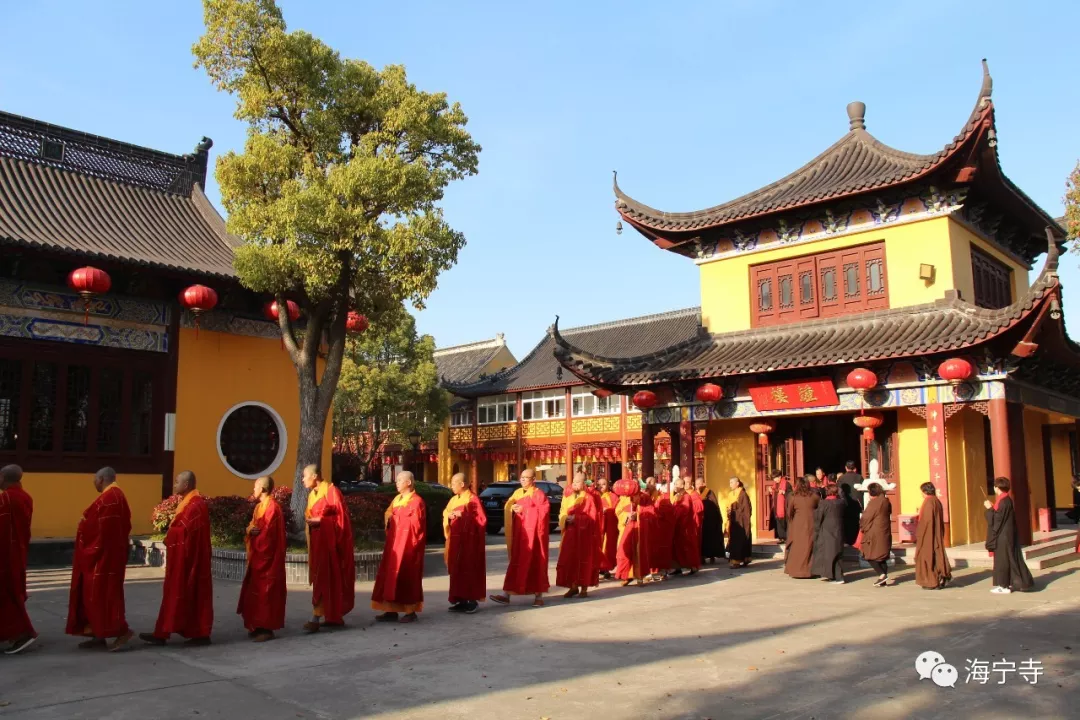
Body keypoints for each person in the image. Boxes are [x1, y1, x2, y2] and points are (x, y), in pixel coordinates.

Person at [141, 471, 213, 646]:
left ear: (186, 485)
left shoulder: (195, 506)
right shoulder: (188, 503)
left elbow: (188, 533)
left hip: (192, 561)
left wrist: (171, 535)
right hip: (186, 559)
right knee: (177, 595)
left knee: (189, 594)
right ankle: (165, 632)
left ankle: (198, 634)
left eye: (177, 482)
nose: (174, 485)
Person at [66, 467, 133, 652]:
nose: (94, 483)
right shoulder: (114, 496)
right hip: (108, 555)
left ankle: (122, 631)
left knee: (103, 596)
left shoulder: (111, 498)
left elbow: (99, 529)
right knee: (93, 596)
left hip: (104, 558)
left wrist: (83, 526)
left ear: (102, 479)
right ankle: (97, 633)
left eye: (95, 480)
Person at [302, 464, 355, 632]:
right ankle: (332, 616)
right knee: (321, 578)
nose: (302, 480)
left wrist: (321, 521)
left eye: (305, 476)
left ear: (315, 476)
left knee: (328, 578)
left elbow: (342, 520)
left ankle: (316, 617)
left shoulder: (332, 492)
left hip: (331, 545)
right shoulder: (312, 495)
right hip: (318, 543)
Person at [372, 471, 427, 623]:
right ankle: (390, 610)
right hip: (394, 544)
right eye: (396, 480)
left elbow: (416, 525)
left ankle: (410, 611)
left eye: (400, 480)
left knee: (406, 576)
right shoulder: (397, 499)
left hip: (408, 545)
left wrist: (397, 517)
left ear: (409, 482)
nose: (396, 482)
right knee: (390, 576)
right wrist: (391, 516)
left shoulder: (417, 502)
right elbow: (388, 513)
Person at [490, 468, 550, 606]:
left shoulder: (539, 494)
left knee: (536, 563)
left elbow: (544, 513)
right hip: (520, 534)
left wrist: (525, 510)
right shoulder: (517, 493)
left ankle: (538, 596)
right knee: (516, 563)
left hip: (534, 537)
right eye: (521, 477)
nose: (522, 480)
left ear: (533, 480)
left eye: (526, 478)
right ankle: (506, 594)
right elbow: (509, 505)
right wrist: (512, 508)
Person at [237, 476, 287, 641]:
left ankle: (266, 628)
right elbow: (252, 526)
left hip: (268, 559)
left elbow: (268, 537)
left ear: (263, 489)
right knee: (255, 593)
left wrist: (256, 536)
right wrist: (250, 530)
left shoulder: (273, 508)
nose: (253, 490)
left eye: (255, 487)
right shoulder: (259, 507)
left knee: (267, 593)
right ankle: (256, 625)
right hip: (257, 558)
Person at [0, 465, 36, 655]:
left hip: (5, 554)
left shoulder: (6, 498)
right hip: (18, 551)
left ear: (4, 477)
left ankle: (21, 633)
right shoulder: (25, 497)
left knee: (6, 595)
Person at [443, 472, 486, 614]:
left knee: (469, 568)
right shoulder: (454, 499)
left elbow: (481, 519)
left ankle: (471, 600)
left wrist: (464, 515)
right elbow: (446, 513)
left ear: (462, 484)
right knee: (456, 569)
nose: (451, 486)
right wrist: (448, 516)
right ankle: (460, 600)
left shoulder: (473, 499)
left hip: (469, 542)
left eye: (453, 483)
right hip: (455, 540)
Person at [984, 477, 1034, 594]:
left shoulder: (1004, 501)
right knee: (1009, 560)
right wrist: (992, 508)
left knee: (1003, 561)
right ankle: (1011, 583)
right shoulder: (1005, 500)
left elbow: (997, 519)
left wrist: (989, 509)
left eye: (995, 486)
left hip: (1003, 537)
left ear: (997, 488)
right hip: (1005, 535)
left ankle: (1004, 586)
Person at [556, 472, 601, 598]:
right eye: (574, 482)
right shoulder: (568, 497)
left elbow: (592, 518)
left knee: (584, 560)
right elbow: (562, 512)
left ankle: (584, 588)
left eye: (578, 482)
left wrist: (576, 518)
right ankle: (573, 586)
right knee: (570, 559)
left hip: (584, 535)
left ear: (584, 484)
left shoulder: (588, 498)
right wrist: (565, 519)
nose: (575, 484)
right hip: (570, 533)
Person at [914, 483, 951, 590]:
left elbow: (927, 521)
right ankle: (940, 577)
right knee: (936, 555)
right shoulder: (936, 500)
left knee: (927, 556)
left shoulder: (929, 502)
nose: (921, 493)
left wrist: (921, 533)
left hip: (928, 534)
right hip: (935, 532)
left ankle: (932, 581)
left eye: (921, 491)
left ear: (925, 491)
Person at [615, 486, 652, 586]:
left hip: (639, 527)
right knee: (623, 551)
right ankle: (627, 575)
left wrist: (638, 514)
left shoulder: (645, 497)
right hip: (627, 527)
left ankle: (640, 576)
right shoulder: (624, 498)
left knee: (638, 552)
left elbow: (650, 511)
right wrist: (626, 515)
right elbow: (618, 511)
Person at [784, 476, 819, 579]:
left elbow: (789, 513)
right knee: (810, 547)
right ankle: (810, 570)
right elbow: (819, 508)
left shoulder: (794, 497)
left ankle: (796, 570)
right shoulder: (814, 496)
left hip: (798, 525)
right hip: (812, 524)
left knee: (798, 547)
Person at [859, 482, 893, 587]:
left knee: (869, 554)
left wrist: (862, 527)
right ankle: (883, 579)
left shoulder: (874, 503)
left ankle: (882, 575)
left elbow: (866, 518)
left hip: (874, 533)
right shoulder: (886, 501)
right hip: (885, 531)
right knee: (881, 556)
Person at [811, 483, 846, 584]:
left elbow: (819, 517)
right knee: (837, 554)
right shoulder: (841, 503)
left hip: (827, 531)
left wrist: (816, 529)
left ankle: (836, 577)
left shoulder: (824, 503)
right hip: (838, 530)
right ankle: (836, 575)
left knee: (829, 554)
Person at [669, 476, 701, 576]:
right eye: (674, 484)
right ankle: (677, 567)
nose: (674, 486)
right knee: (676, 547)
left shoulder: (686, 496)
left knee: (687, 546)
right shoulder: (677, 495)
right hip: (677, 525)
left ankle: (693, 566)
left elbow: (685, 510)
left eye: (676, 484)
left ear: (682, 485)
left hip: (685, 526)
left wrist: (675, 515)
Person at [696, 477, 725, 564]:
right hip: (701, 520)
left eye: (699, 484)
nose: (697, 486)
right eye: (696, 484)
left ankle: (712, 555)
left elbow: (714, 506)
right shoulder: (696, 493)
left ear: (703, 484)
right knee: (702, 539)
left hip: (710, 520)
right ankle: (702, 556)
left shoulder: (709, 492)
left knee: (711, 538)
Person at [650, 478, 675, 579]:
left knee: (663, 548)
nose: (648, 485)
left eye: (650, 483)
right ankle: (651, 570)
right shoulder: (645, 496)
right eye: (647, 483)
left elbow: (668, 512)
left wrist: (656, 513)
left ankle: (663, 570)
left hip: (662, 527)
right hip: (650, 527)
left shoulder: (663, 497)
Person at [596, 477, 619, 580]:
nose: (601, 486)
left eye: (604, 484)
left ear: (608, 486)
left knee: (608, 546)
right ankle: (598, 567)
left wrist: (608, 511)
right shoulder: (595, 496)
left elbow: (617, 510)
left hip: (609, 525)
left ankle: (606, 568)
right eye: (599, 484)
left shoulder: (613, 496)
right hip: (598, 526)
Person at [727, 477, 753, 568]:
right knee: (735, 541)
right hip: (734, 521)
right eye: (729, 483)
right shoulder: (731, 494)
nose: (730, 484)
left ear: (737, 483)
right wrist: (729, 511)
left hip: (741, 521)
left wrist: (734, 510)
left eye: (731, 482)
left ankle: (736, 561)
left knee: (739, 540)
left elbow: (746, 510)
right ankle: (741, 559)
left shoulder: (742, 494)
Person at [771, 470, 791, 543]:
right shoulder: (775, 485)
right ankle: (781, 537)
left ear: (779, 476)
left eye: (775, 478)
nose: (774, 480)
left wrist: (784, 492)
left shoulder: (786, 484)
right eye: (773, 478)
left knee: (784, 522)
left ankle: (787, 537)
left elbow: (791, 494)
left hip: (784, 506)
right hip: (776, 506)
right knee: (778, 522)